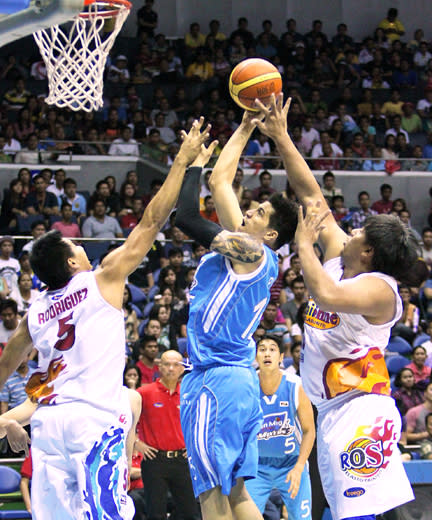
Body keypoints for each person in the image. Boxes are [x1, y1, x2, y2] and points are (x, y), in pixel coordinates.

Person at [0, 119, 211, 520]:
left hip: (49, 424)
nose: (82, 247)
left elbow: (8, 360)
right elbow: (150, 221)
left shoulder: (37, 311)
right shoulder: (102, 279)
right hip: (92, 420)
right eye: (76, 245)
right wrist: (181, 162)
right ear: (70, 261)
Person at [252, 93, 417, 520]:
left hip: (362, 406)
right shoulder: (342, 253)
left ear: (369, 253)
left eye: (360, 233)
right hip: (331, 410)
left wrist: (303, 245)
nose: (351, 231)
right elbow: (311, 196)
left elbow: (325, 293)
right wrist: (282, 138)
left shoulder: (381, 288)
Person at [175, 110, 298, 520]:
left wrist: (190, 162)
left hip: (215, 381)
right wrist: (245, 127)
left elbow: (187, 218)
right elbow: (220, 182)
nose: (249, 212)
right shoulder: (249, 252)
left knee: (212, 495)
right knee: (238, 493)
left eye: (259, 213)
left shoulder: (251, 252)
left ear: (270, 236)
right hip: (238, 382)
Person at [245, 336, 314, 519]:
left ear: (281, 357)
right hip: (257, 467)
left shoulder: (296, 385)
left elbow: (309, 431)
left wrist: (299, 467)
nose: (267, 353)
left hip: (291, 465)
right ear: (255, 356)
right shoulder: (247, 385)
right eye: (262, 349)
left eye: (272, 349)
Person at [135, 350, 199, 520]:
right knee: (156, 514)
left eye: (176, 364)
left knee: (191, 513)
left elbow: (199, 423)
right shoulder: (144, 393)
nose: (171, 368)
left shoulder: (189, 394)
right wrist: (135, 442)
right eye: (167, 364)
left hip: (182, 460)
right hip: (154, 461)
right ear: (159, 367)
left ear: (182, 368)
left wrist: (194, 446)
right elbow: (125, 420)